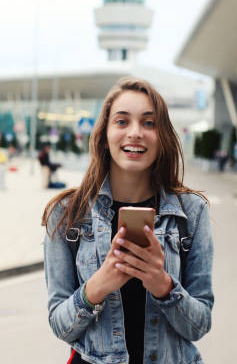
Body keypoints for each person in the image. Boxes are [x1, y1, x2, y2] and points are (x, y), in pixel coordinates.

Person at [42, 77, 214, 364]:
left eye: (149, 123)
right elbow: (60, 324)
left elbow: (200, 324)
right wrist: (99, 285)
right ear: (104, 135)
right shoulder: (67, 214)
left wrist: (162, 285)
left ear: (162, 137)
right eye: (122, 122)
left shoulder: (192, 212)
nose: (135, 133)